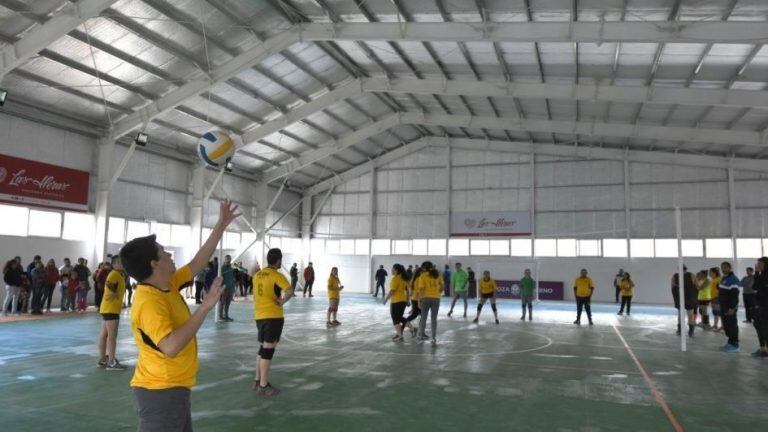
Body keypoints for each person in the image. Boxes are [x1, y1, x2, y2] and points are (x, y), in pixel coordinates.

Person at [123, 200, 235, 431]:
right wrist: (205, 307)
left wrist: (220, 226)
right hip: (161, 391)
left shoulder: (167, 284)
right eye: (165, 253)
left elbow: (197, 262)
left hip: (173, 388)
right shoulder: (149, 302)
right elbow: (171, 346)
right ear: (154, 264)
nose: (170, 255)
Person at [252, 248, 294, 396]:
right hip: (273, 316)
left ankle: (257, 380)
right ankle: (263, 386)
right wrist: (282, 302)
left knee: (262, 348)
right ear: (279, 260)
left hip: (259, 315)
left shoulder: (257, 275)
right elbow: (290, 291)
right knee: (268, 350)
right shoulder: (277, 275)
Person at [98, 255, 128, 371]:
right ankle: (111, 361)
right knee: (112, 336)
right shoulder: (114, 274)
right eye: (120, 262)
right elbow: (109, 284)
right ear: (114, 264)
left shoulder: (119, 274)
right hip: (111, 309)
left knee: (104, 335)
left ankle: (102, 360)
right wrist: (115, 293)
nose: (122, 264)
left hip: (108, 308)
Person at [416, 261, 443, 345]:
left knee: (423, 318)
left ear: (424, 268)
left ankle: (420, 337)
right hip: (436, 299)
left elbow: (421, 289)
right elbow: (442, 286)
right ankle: (433, 338)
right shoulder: (437, 275)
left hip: (425, 298)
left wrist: (419, 301)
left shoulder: (422, 276)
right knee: (434, 319)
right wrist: (438, 292)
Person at [382, 264, 411, 341]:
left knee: (395, 319)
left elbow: (392, 291)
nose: (391, 270)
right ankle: (412, 328)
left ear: (396, 270)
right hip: (403, 301)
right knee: (399, 318)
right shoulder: (405, 279)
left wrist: (386, 299)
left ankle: (400, 336)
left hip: (396, 301)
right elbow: (408, 291)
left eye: (393, 269)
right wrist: (408, 300)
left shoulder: (395, 279)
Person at [718, 262, 740, 353]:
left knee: (732, 325)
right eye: (722, 267)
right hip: (723, 307)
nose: (723, 269)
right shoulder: (724, 278)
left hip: (730, 308)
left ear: (730, 268)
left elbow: (735, 295)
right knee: (726, 325)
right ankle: (730, 342)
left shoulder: (733, 279)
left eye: (725, 267)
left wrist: (732, 308)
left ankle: (735, 345)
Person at [672, 266, 697, 338]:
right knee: (690, 315)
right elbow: (697, 286)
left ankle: (679, 330)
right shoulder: (692, 275)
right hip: (690, 298)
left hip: (680, 299)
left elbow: (672, 287)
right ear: (686, 269)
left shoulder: (675, 276)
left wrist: (676, 298)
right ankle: (691, 332)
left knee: (680, 315)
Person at [751, 257, 768, 359]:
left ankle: (765, 350)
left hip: (766, 306)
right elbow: (755, 286)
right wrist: (757, 273)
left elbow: (756, 286)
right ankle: (762, 349)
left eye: (760, 264)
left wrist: (757, 274)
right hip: (760, 305)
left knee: (765, 328)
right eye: (757, 264)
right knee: (757, 324)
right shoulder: (761, 275)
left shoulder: (766, 275)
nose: (758, 266)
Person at [403, 265, 422, 336]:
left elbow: (408, 289)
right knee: (422, 315)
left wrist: (409, 297)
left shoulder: (413, 279)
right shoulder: (419, 279)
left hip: (414, 299)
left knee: (414, 314)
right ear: (420, 273)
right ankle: (420, 331)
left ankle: (404, 326)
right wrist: (420, 302)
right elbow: (419, 291)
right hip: (418, 299)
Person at [219, 255, 235, 322]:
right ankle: (220, 316)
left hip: (230, 288)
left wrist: (233, 288)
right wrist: (221, 288)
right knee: (222, 302)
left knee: (228, 303)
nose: (229, 260)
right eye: (227, 259)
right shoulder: (222, 268)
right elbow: (220, 279)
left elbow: (232, 278)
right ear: (225, 259)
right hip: (224, 288)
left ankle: (226, 315)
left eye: (230, 259)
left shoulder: (231, 268)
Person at [709, 267, 722, 331]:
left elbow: (721, 290)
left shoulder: (718, 279)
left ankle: (722, 326)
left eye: (710, 272)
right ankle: (715, 325)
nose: (709, 274)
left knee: (719, 312)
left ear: (714, 273)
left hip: (717, 298)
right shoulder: (712, 279)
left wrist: (718, 298)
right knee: (715, 312)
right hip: (712, 298)